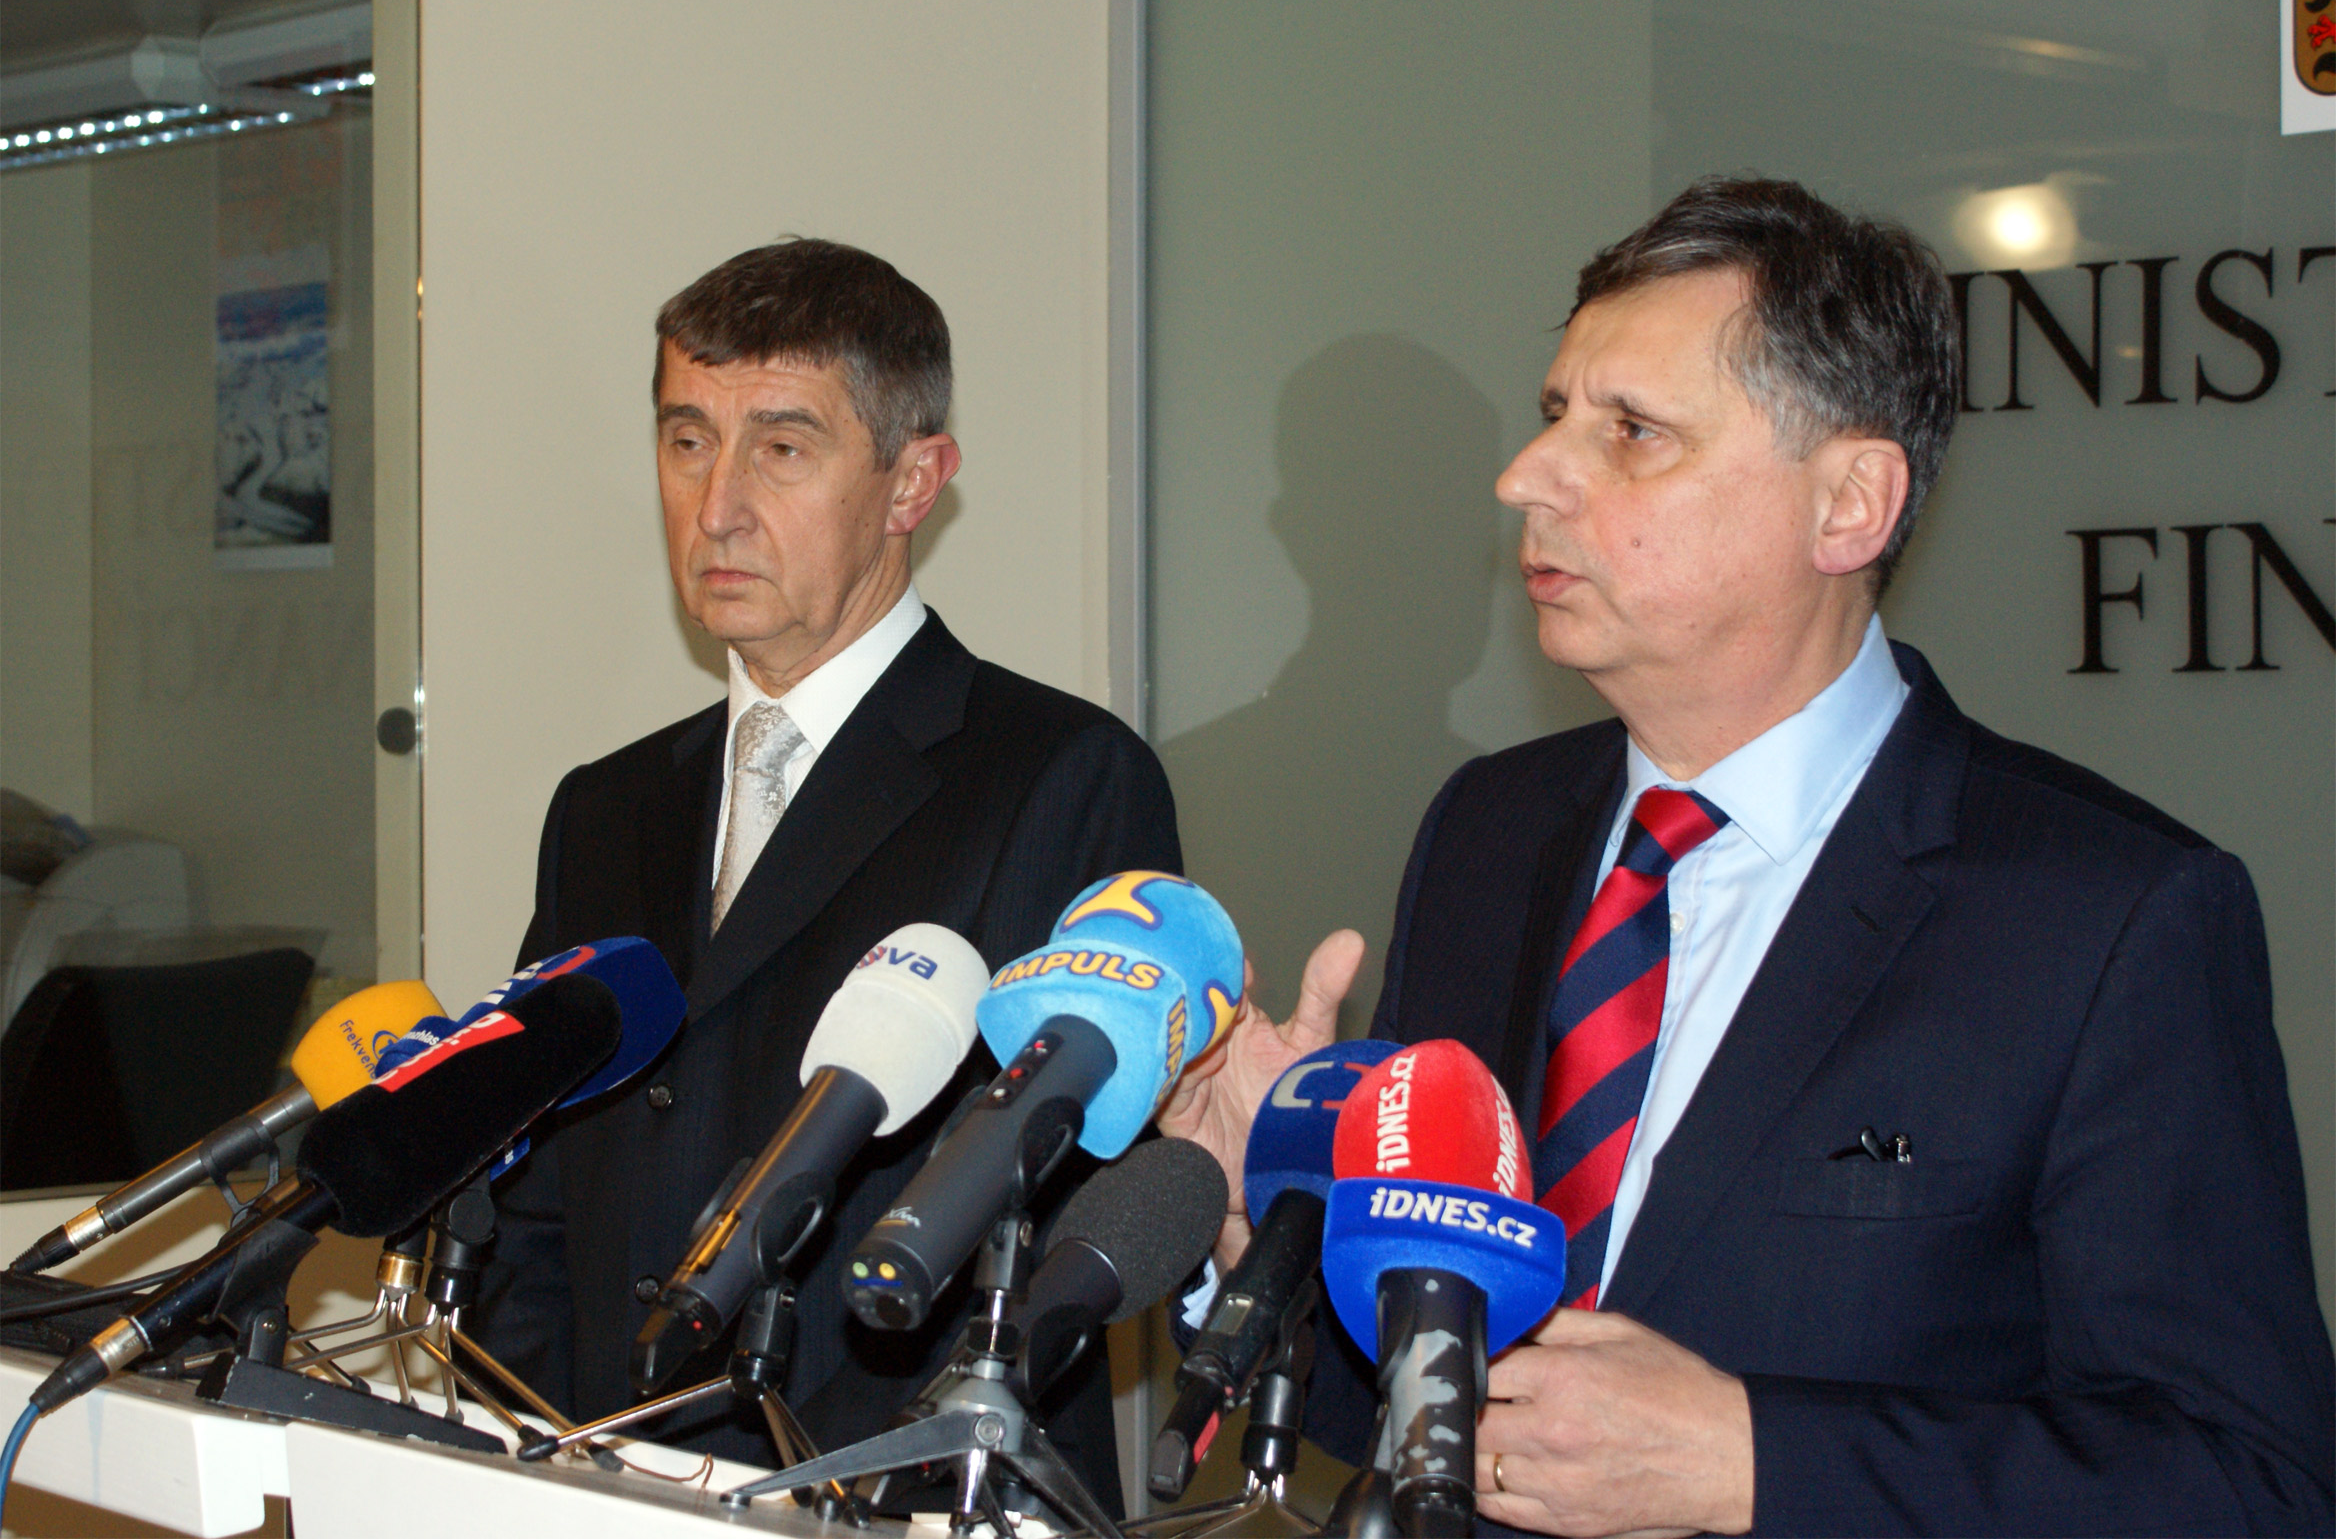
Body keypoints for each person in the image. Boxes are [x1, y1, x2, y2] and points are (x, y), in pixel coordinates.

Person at [1160, 178, 2333, 1535]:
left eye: (1631, 432)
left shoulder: (2108, 915)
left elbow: (2247, 1485)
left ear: (1849, 506)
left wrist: (1750, 1459)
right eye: (1554, 413)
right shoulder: (1490, 830)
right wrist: (1271, 1238)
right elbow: (1439, 1418)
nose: (1525, 477)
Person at [475, 239, 1179, 1501]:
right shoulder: (605, 806)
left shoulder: (1058, 773)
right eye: (687, 440)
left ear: (912, 483)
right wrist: (536, 1472)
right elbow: (538, 1203)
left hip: (888, 1493)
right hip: (599, 1484)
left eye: (782, 448)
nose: (716, 506)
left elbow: (1052, 1232)